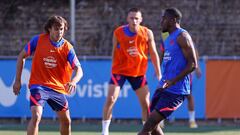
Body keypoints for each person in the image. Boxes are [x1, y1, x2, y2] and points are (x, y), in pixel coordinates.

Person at [12, 15, 83, 135]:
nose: (59, 32)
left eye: (62, 29)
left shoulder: (67, 47)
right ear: (49, 28)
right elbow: (21, 56)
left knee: (66, 121)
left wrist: (73, 81)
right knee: (36, 116)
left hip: (57, 88)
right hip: (38, 86)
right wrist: (17, 80)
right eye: (56, 28)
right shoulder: (38, 40)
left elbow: (79, 69)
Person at [138, 7, 198, 135]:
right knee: (153, 126)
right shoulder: (168, 38)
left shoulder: (182, 36)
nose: (161, 21)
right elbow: (164, 56)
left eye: (164, 18)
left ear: (173, 20)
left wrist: (172, 81)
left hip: (176, 91)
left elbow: (193, 64)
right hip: (163, 87)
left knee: (146, 128)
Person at [101, 7, 161, 135]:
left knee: (146, 104)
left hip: (138, 73)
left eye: (136, 18)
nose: (134, 21)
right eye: (131, 18)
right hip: (120, 71)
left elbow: (154, 53)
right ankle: (104, 131)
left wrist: (158, 72)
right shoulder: (118, 32)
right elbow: (114, 51)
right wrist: (113, 67)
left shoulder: (147, 33)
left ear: (141, 19)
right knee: (111, 98)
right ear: (127, 19)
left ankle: (146, 131)